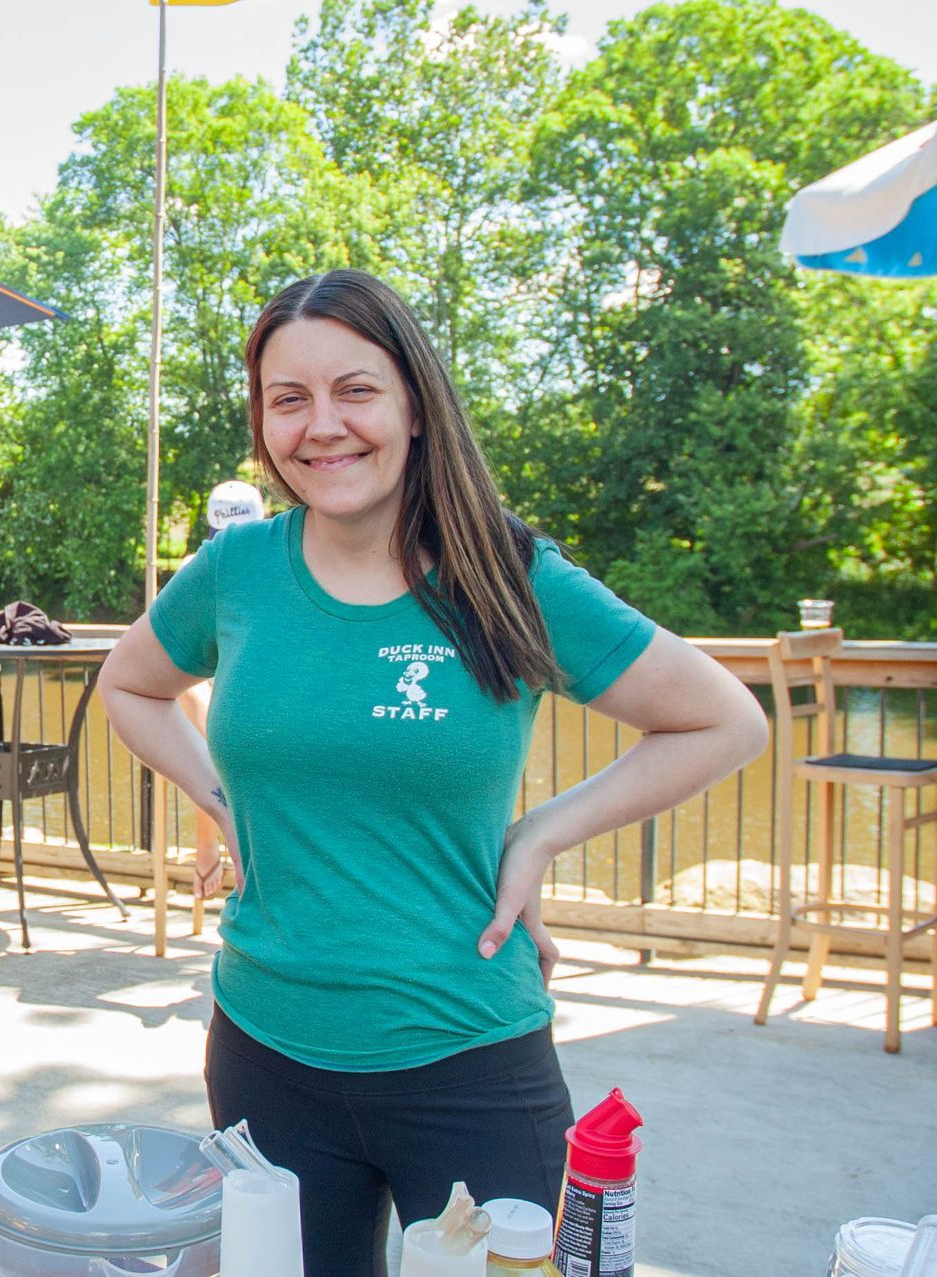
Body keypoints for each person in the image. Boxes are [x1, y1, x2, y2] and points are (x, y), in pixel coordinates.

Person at [98, 270, 768, 1277]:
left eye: (355, 389)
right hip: (264, 1049)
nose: (322, 425)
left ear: (415, 402)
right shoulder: (235, 571)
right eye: (289, 398)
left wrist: (536, 834)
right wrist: (220, 798)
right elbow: (130, 683)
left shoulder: (508, 574)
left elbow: (723, 719)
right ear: (264, 423)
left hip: (470, 1059)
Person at [177, 480, 265, 897]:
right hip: (208, 688)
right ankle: (211, 837)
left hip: (253, 691)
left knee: (218, 717)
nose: (232, 546)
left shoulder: (285, 569)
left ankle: (216, 838)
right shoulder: (197, 570)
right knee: (196, 705)